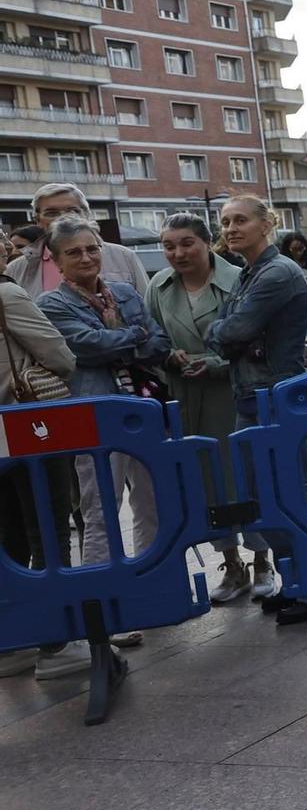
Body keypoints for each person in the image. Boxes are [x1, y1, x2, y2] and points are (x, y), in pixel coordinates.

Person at [208, 195, 307, 623]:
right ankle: (301, 579)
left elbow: (233, 330)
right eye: (226, 221)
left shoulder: (278, 272)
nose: (231, 228)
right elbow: (230, 333)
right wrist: (229, 336)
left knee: (296, 495)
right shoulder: (250, 273)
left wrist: (228, 336)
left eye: (241, 220)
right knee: (264, 500)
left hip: (276, 399)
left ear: (267, 224)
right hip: (251, 396)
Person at [37, 217, 167, 649]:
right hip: (92, 418)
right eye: (73, 252)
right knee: (100, 513)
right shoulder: (51, 305)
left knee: (151, 505)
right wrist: (128, 336)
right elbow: (83, 348)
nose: (86, 257)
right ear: (56, 261)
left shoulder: (126, 292)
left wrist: (116, 338)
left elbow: (159, 343)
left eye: (91, 248)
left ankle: (148, 594)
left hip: (142, 412)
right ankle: (106, 610)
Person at [146, 214, 275, 604]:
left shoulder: (238, 279)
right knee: (206, 485)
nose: (178, 253)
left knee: (244, 478)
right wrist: (166, 356)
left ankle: (263, 560)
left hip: (230, 393)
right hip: (185, 397)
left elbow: (256, 341)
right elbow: (150, 335)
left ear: (206, 243)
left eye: (187, 243)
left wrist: (216, 363)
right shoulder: (158, 285)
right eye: (169, 246)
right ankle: (231, 565)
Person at [0, 270, 86, 680]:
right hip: (28, 426)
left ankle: (12, 641)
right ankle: (58, 643)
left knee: (10, 538)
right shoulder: (7, 294)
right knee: (49, 533)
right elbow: (61, 357)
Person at [6, 183, 148, 300]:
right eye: (51, 213)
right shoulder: (16, 269)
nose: (63, 218)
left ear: (86, 215)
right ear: (37, 220)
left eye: (72, 211)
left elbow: (149, 308)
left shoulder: (124, 257)